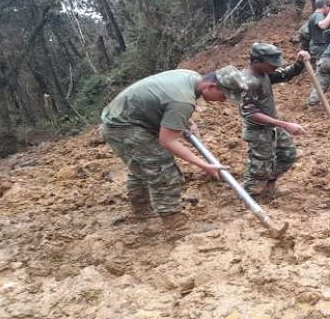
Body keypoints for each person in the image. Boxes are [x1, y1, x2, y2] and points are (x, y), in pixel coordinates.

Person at [100, 67, 244, 228]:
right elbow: (168, 141)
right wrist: (204, 165)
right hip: (125, 126)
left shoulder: (192, 77)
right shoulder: (183, 100)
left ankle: (141, 211)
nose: (223, 101)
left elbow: (163, 100)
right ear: (210, 86)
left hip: (124, 117)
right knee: (162, 166)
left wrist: (185, 121)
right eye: (224, 96)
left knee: (143, 165)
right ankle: (172, 220)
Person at [240, 43, 310, 199]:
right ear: (257, 62)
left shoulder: (264, 73)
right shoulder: (248, 81)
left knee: (288, 155)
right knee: (258, 170)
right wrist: (285, 125)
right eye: (272, 64)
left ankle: (267, 184)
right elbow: (250, 113)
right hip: (258, 132)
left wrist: (299, 62)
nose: (275, 67)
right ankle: (249, 202)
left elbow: (285, 74)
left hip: (272, 127)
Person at [301, 0, 330, 65]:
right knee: (322, 67)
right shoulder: (318, 15)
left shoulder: (316, 15)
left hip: (318, 46)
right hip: (319, 46)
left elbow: (329, 24)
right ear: (325, 6)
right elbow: (322, 25)